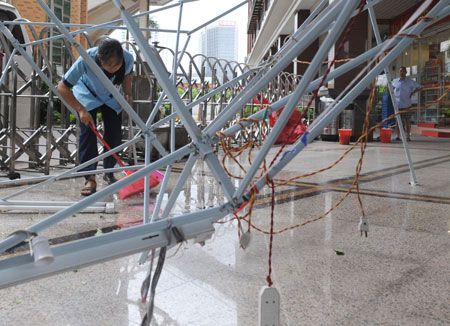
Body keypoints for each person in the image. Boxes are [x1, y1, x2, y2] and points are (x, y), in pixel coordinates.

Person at [57, 38, 134, 196]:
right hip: (87, 93)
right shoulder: (86, 59)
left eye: (116, 65)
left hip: (112, 95)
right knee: (88, 134)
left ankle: (109, 172)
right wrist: (80, 109)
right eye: (108, 65)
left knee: (114, 133)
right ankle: (89, 177)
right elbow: (62, 87)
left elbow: (126, 79)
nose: (112, 69)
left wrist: (128, 97)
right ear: (100, 59)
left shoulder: (128, 58)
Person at [391, 66, 422, 141]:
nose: (401, 72)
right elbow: (390, 85)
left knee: (407, 120)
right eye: (400, 71)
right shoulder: (395, 81)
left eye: (403, 71)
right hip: (397, 105)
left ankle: (408, 136)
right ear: (398, 72)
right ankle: (398, 136)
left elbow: (420, 87)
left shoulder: (410, 81)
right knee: (398, 121)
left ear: (406, 72)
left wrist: (413, 92)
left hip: (407, 105)